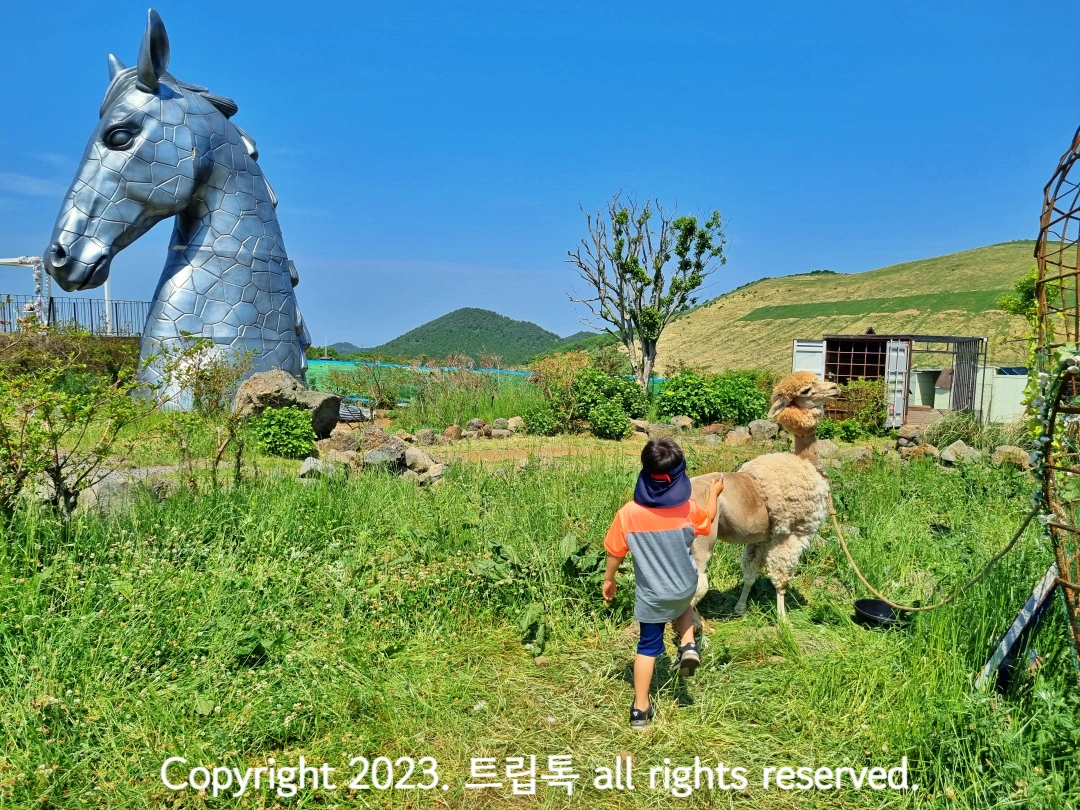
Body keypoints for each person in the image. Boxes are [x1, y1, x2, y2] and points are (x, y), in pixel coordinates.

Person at [602, 438, 724, 729]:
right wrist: (714, 494)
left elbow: (614, 553)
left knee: (647, 647)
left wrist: (609, 580)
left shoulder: (627, 514)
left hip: (652, 596)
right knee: (683, 602)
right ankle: (688, 643)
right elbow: (708, 519)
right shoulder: (688, 509)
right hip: (685, 584)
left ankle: (640, 709)